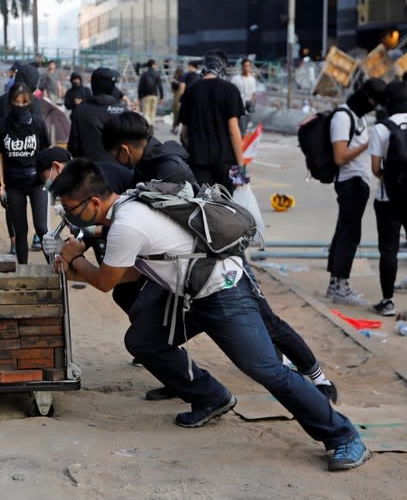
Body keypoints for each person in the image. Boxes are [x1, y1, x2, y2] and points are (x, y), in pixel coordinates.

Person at [49, 159, 369, 471]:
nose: (70, 217)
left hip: (223, 290)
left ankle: (343, 434)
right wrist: (78, 269)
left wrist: (75, 259)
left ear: (93, 201)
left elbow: (106, 282)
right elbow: (129, 273)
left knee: (266, 369)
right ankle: (211, 396)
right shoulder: (130, 201)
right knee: (144, 340)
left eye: (72, 210)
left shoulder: (126, 224)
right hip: (191, 291)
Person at [99, 111, 339, 403]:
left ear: (123, 149)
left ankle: (318, 377)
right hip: (184, 265)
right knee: (136, 305)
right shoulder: (148, 163)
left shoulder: (167, 170)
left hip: (219, 257)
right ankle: (178, 374)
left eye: (114, 155)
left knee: (266, 320)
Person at [325, 78, 386, 305]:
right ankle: (341, 285)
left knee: (344, 231)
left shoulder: (358, 116)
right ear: (364, 95)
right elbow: (339, 157)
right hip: (349, 182)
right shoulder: (343, 117)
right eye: (372, 99)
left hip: (359, 182)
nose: (373, 104)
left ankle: (335, 284)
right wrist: (367, 144)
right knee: (350, 235)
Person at [0, 83, 50, 264]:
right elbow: (0, 156)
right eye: (16, 102)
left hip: (37, 182)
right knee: (20, 230)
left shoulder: (38, 123)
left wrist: (48, 179)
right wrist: (1, 185)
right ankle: (23, 267)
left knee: (41, 227)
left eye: (24, 102)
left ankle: (52, 264)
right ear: (10, 102)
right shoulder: (2, 126)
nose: (20, 106)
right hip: (13, 184)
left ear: (30, 102)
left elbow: (45, 151)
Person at [178, 50, 245, 191]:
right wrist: (241, 167)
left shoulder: (191, 91)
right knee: (228, 205)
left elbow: (184, 133)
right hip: (226, 161)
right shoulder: (230, 90)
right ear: (223, 68)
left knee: (203, 205)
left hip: (198, 160)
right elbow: (233, 130)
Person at [368, 80, 407, 316]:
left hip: (388, 199)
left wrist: (391, 179)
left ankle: (388, 301)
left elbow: (375, 168)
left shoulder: (382, 128)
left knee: (388, 250)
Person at [67, 67, 126, 161]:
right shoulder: (123, 111)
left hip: (88, 170)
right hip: (118, 169)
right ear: (112, 87)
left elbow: (73, 148)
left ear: (92, 85)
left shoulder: (80, 111)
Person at [136, 60, 164, 132]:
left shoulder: (144, 74)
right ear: (153, 65)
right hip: (154, 95)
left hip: (145, 96)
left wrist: (139, 97)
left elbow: (140, 86)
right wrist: (161, 97)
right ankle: (152, 126)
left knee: (146, 112)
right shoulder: (157, 74)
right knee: (153, 112)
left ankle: (148, 126)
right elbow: (160, 86)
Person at [231, 59, 257, 134]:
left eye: (248, 66)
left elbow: (253, 93)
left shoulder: (252, 79)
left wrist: (252, 104)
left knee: (247, 127)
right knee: (240, 127)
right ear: (242, 67)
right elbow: (232, 92)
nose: (246, 68)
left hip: (248, 107)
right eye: (245, 66)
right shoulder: (235, 79)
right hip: (238, 107)